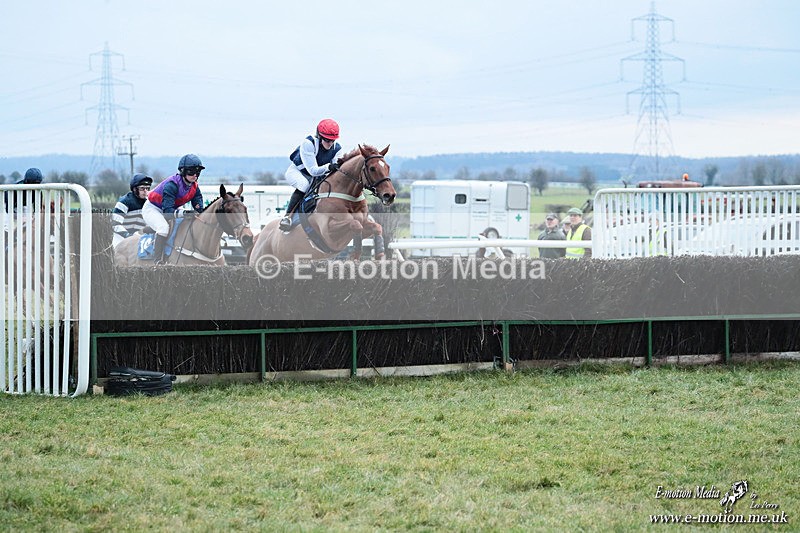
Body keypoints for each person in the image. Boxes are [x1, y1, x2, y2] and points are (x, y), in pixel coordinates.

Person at [279, 118, 344, 232]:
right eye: (327, 140)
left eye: (332, 140)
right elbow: (313, 171)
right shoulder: (308, 144)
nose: (330, 143)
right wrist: (329, 167)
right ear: (319, 136)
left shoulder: (337, 149)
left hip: (317, 176)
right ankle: (287, 217)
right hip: (299, 173)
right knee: (304, 185)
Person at [142, 154, 205, 264]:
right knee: (163, 228)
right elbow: (167, 213)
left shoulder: (194, 187)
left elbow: (198, 204)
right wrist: (184, 213)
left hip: (170, 208)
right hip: (153, 208)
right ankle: (157, 261)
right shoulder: (172, 185)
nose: (195, 175)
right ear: (183, 171)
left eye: (198, 172)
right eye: (191, 171)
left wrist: (201, 212)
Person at [111, 173, 153, 248]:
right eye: (142, 188)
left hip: (138, 240)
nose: (145, 191)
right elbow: (115, 224)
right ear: (134, 189)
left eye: (147, 188)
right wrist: (128, 236)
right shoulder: (124, 202)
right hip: (122, 241)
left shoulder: (148, 202)